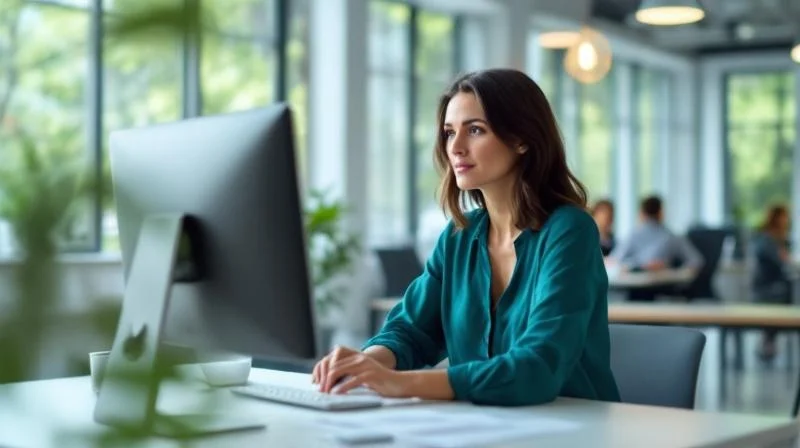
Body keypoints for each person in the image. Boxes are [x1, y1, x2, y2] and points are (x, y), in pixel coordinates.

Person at [311, 69, 620, 406]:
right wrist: (366, 363)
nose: (455, 147)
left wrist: (401, 383)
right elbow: (411, 331)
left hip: (574, 429)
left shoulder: (569, 230)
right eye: (448, 132)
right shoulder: (460, 236)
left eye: (475, 130)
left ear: (522, 139)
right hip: (483, 426)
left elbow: (538, 367)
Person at [608, 195, 703, 301]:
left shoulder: (633, 235)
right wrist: (671, 269)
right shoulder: (671, 236)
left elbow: (614, 261)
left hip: (640, 290)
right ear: (661, 213)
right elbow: (696, 261)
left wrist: (633, 265)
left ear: (641, 214)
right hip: (663, 290)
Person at [751, 204, 792, 361]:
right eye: (784, 216)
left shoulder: (781, 239)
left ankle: (770, 340)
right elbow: (782, 261)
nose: (787, 220)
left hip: (777, 287)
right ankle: (769, 340)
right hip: (767, 289)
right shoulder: (765, 240)